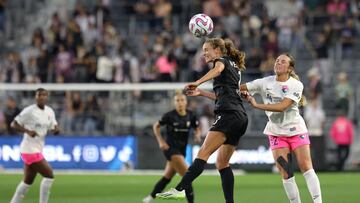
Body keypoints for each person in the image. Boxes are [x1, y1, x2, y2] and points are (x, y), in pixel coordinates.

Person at [156, 38, 248, 203]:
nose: (204, 53)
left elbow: (218, 69)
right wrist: (201, 93)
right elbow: (223, 95)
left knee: (203, 154)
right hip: (240, 117)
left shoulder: (220, 62)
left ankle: (179, 190)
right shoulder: (234, 66)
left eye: (207, 50)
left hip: (227, 115)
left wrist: (197, 82)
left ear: (218, 50)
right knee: (222, 163)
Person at [240, 53, 322, 203]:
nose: (278, 63)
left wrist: (257, 104)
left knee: (306, 167)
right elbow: (240, 88)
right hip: (276, 132)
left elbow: (282, 107)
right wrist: (222, 86)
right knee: (285, 172)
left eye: (283, 61)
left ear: (290, 68)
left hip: (296, 129)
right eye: (277, 60)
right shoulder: (265, 82)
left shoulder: (296, 85)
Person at [142, 90, 201, 203]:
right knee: (187, 177)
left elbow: (197, 127)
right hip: (171, 149)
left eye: (182, 100)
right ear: (174, 103)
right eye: (177, 100)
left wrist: (197, 134)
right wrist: (160, 141)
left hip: (182, 150)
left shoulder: (191, 115)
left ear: (186, 102)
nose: (180, 102)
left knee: (167, 177)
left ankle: (150, 198)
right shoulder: (169, 116)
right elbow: (156, 126)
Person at [10, 88, 60, 203]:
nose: (41, 97)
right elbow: (14, 124)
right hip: (28, 150)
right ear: (35, 97)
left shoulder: (50, 111)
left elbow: (54, 126)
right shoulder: (29, 111)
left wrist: (56, 130)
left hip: (38, 149)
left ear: (47, 97)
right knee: (49, 175)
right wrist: (27, 131)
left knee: (27, 182)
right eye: (38, 95)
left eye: (43, 95)